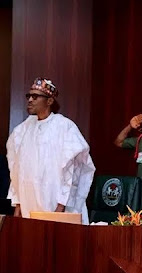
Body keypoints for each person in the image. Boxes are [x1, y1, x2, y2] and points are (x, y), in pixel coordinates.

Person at [6, 77, 95, 223]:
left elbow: (75, 170)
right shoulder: (21, 131)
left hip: (55, 205)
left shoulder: (65, 127)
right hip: (29, 204)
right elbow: (16, 171)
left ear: (49, 101)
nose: (30, 100)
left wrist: (60, 208)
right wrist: (18, 206)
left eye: (35, 97)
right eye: (29, 96)